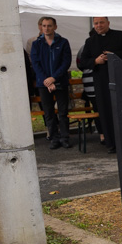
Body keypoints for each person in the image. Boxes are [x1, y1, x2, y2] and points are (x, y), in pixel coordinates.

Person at [78, 17, 122, 154]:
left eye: (101, 22)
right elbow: (82, 62)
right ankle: (112, 143)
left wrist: (114, 55)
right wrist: (96, 61)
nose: (99, 25)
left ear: (108, 23)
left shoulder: (120, 35)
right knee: (107, 111)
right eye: (96, 23)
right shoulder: (90, 41)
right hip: (102, 82)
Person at [30, 17, 72, 149]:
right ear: (40, 27)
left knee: (63, 111)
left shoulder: (63, 42)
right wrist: (47, 81)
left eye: (49, 26)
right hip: (43, 84)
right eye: (44, 26)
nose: (46, 28)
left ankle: (65, 138)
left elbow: (66, 62)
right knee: (48, 112)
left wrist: (54, 78)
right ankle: (54, 138)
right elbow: (36, 64)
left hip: (60, 81)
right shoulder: (36, 44)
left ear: (55, 27)